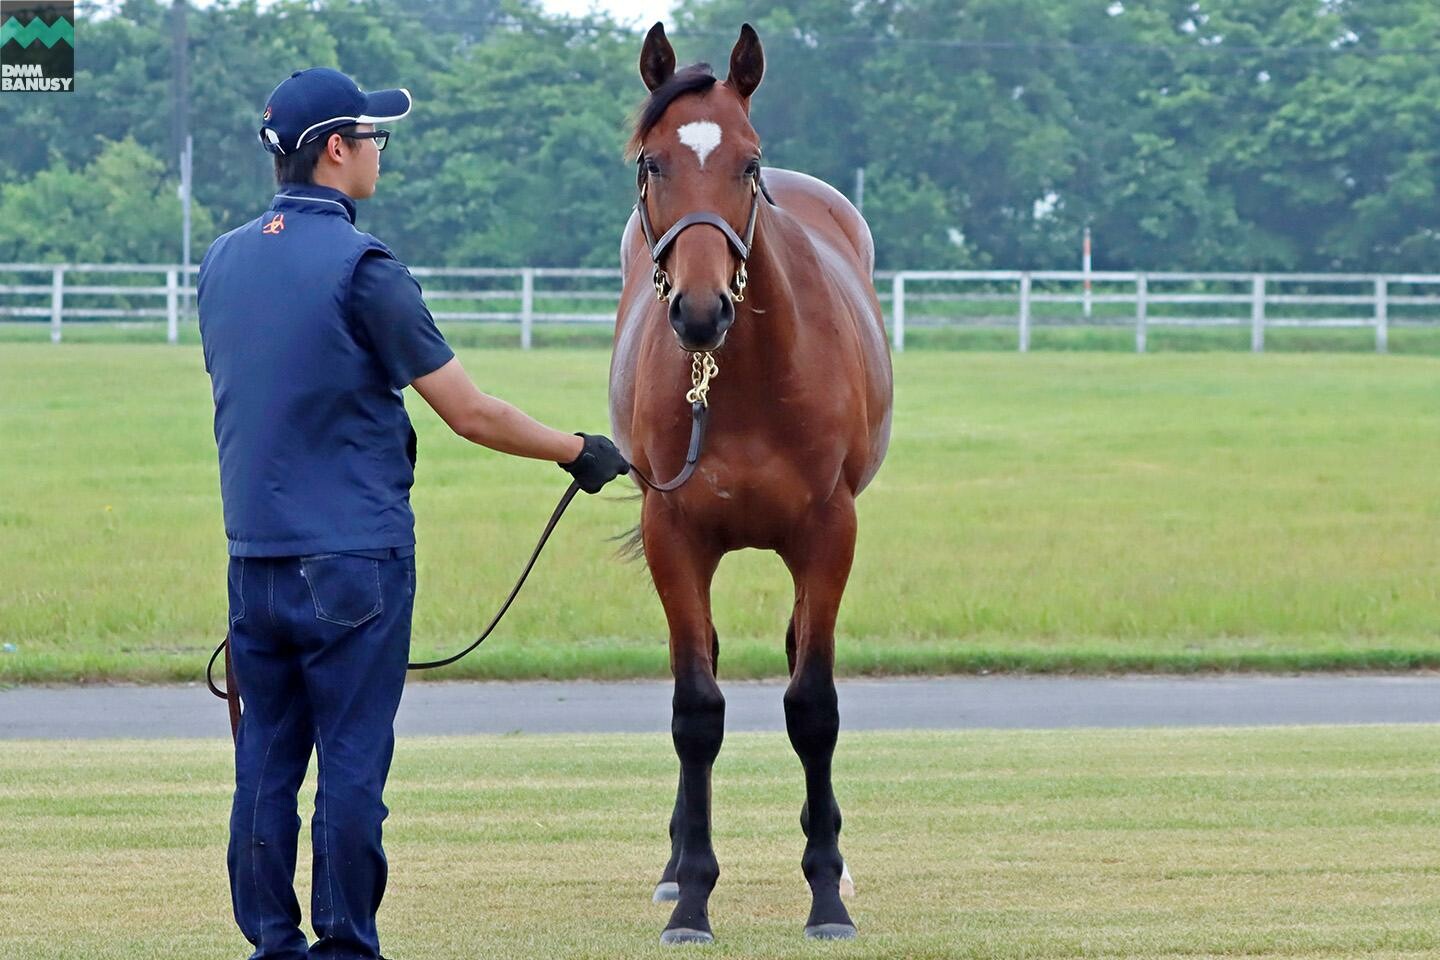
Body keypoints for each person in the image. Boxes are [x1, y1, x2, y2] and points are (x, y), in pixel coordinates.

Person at [197, 67, 628, 960]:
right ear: (336, 151)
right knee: (353, 764)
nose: (381, 154)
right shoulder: (366, 268)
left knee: (265, 766)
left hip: (253, 563)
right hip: (354, 562)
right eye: (374, 138)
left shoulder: (225, 260)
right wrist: (576, 450)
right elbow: (468, 411)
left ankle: (271, 945)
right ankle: (348, 946)